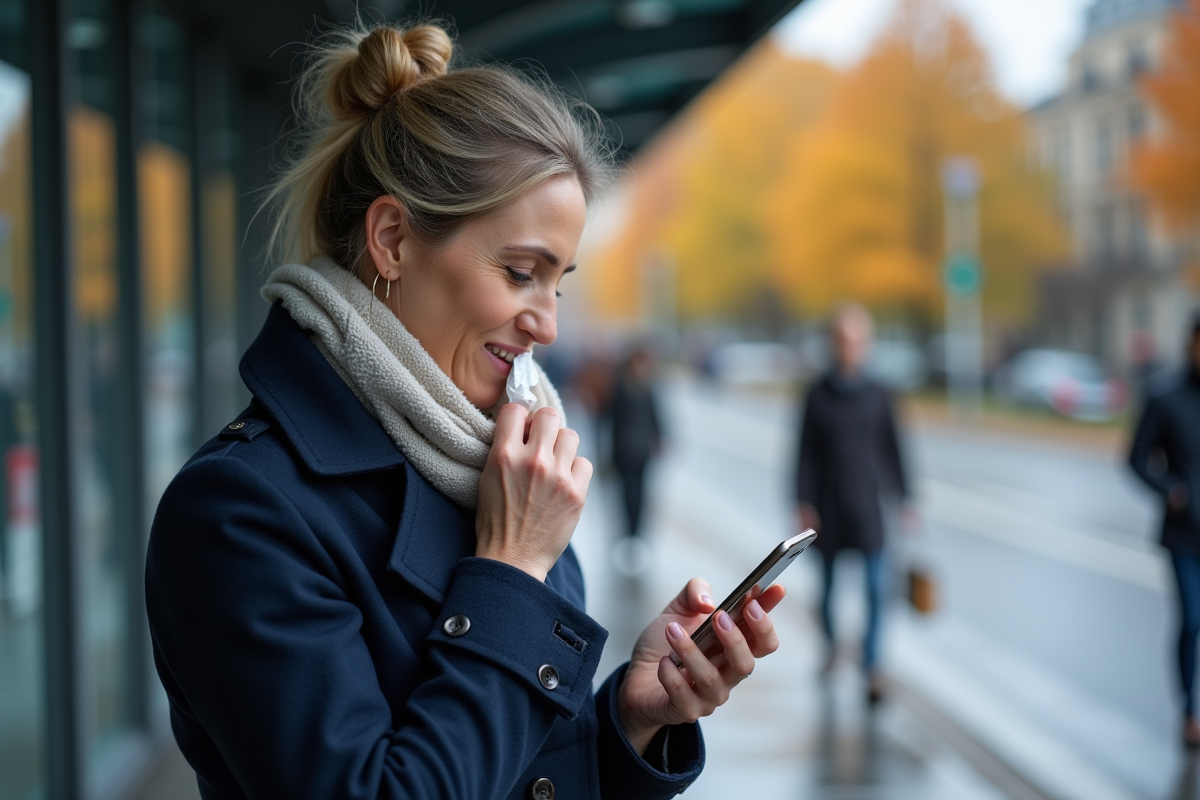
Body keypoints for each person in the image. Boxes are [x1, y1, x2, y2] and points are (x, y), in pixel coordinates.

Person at [144, 23, 787, 800]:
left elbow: (519, 772)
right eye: (521, 272)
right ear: (391, 240)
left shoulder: (495, 466)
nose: (546, 322)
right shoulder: (239, 512)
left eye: (559, 282)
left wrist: (628, 719)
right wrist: (511, 570)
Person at [793, 303, 911, 704]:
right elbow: (803, 452)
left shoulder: (880, 394)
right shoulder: (816, 394)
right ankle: (830, 648)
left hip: (868, 508)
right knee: (826, 591)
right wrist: (802, 500)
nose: (851, 347)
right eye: (844, 339)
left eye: (859, 340)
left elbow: (895, 449)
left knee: (877, 591)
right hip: (827, 508)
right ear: (833, 343)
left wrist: (906, 500)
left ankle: (873, 665)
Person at [1128, 313, 1200, 747]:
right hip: (1184, 534)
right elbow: (1136, 457)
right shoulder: (1166, 395)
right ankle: (1189, 711)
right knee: (1193, 619)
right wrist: (1171, 490)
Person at [608, 345, 664, 574]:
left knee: (641, 494)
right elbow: (612, 423)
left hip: (642, 452)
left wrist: (660, 439)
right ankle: (628, 536)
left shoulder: (648, 388)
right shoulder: (621, 388)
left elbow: (656, 417)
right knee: (626, 495)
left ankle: (638, 537)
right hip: (624, 451)